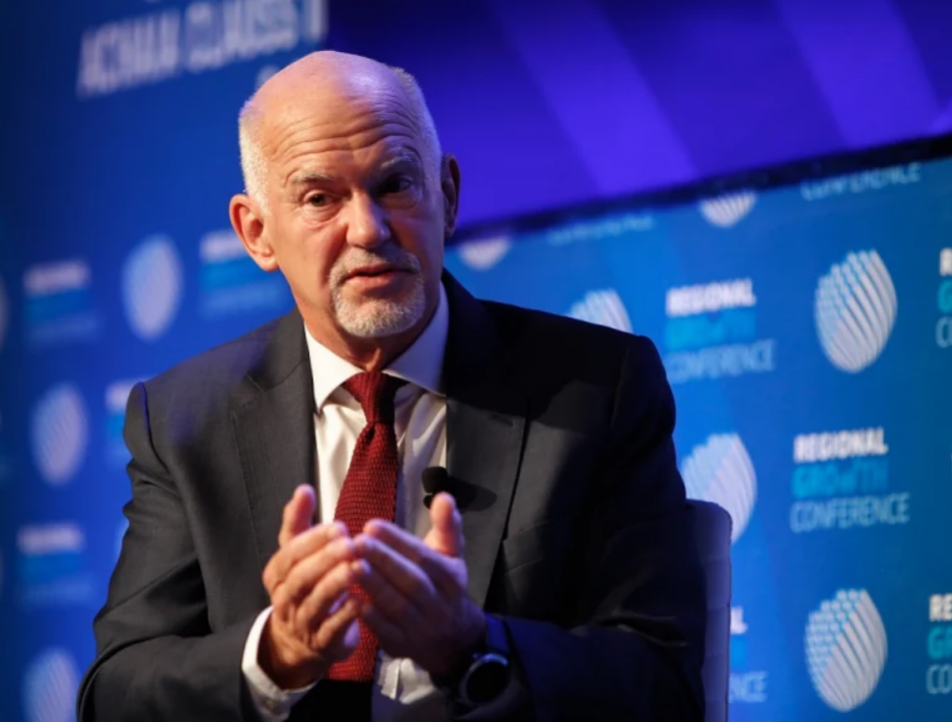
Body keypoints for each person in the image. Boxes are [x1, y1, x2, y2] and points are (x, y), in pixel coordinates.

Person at [77, 51, 706, 722]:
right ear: (257, 234)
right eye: (320, 198)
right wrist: (274, 657)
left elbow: (660, 681)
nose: (369, 229)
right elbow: (115, 694)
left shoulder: (596, 390)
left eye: (396, 184)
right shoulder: (184, 420)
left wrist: (472, 646)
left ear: (448, 197)